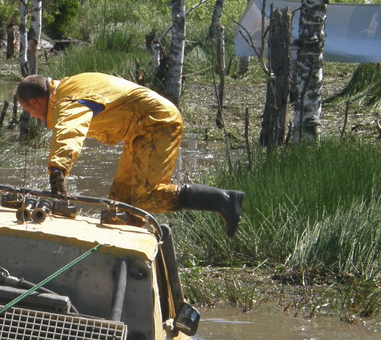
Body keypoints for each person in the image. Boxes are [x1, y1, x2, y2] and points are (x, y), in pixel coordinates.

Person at [15, 73, 245, 238]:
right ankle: (128, 245)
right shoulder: (68, 87)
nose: (33, 116)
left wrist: (58, 170)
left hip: (156, 122)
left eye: (28, 110)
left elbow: (69, 132)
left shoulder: (66, 101)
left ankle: (223, 200)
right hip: (140, 127)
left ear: (35, 101)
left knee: (147, 197)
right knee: (121, 203)